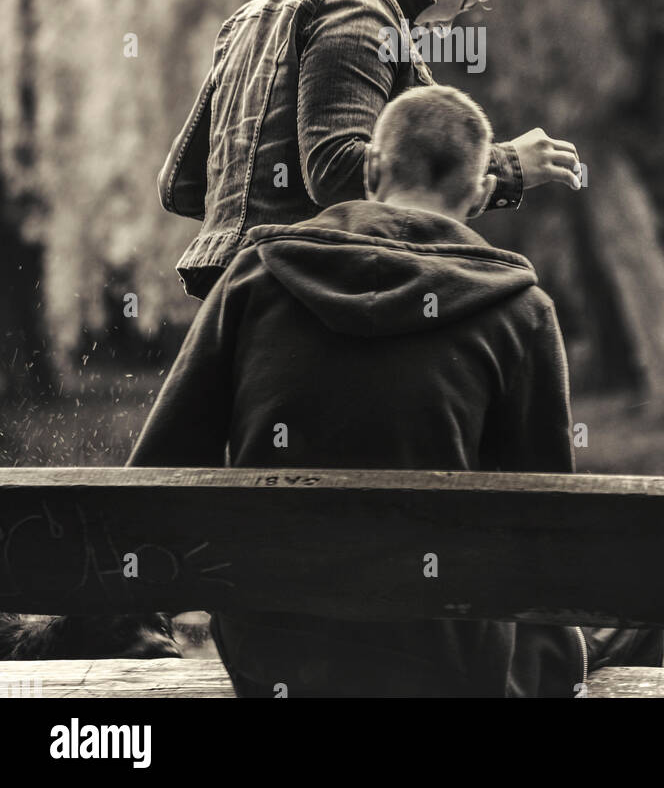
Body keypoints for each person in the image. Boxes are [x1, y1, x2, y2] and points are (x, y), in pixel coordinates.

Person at [130, 85, 598, 697]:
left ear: (372, 168)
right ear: (483, 192)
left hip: (273, 658)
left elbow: (157, 475)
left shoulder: (256, 275)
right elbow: (547, 524)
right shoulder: (522, 310)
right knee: (623, 634)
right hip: (452, 665)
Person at [158, 0, 582, 301]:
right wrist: (504, 165)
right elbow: (337, 171)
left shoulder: (250, 17)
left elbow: (181, 184)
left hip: (230, 298)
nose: (445, 25)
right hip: (304, 294)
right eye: (464, 2)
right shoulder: (361, 8)